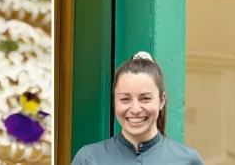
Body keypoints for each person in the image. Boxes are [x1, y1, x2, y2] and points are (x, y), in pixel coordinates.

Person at [72, 51, 204, 165]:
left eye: (145, 98)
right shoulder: (88, 159)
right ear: (114, 101)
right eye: (125, 99)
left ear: (162, 101)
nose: (135, 109)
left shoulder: (188, 161)